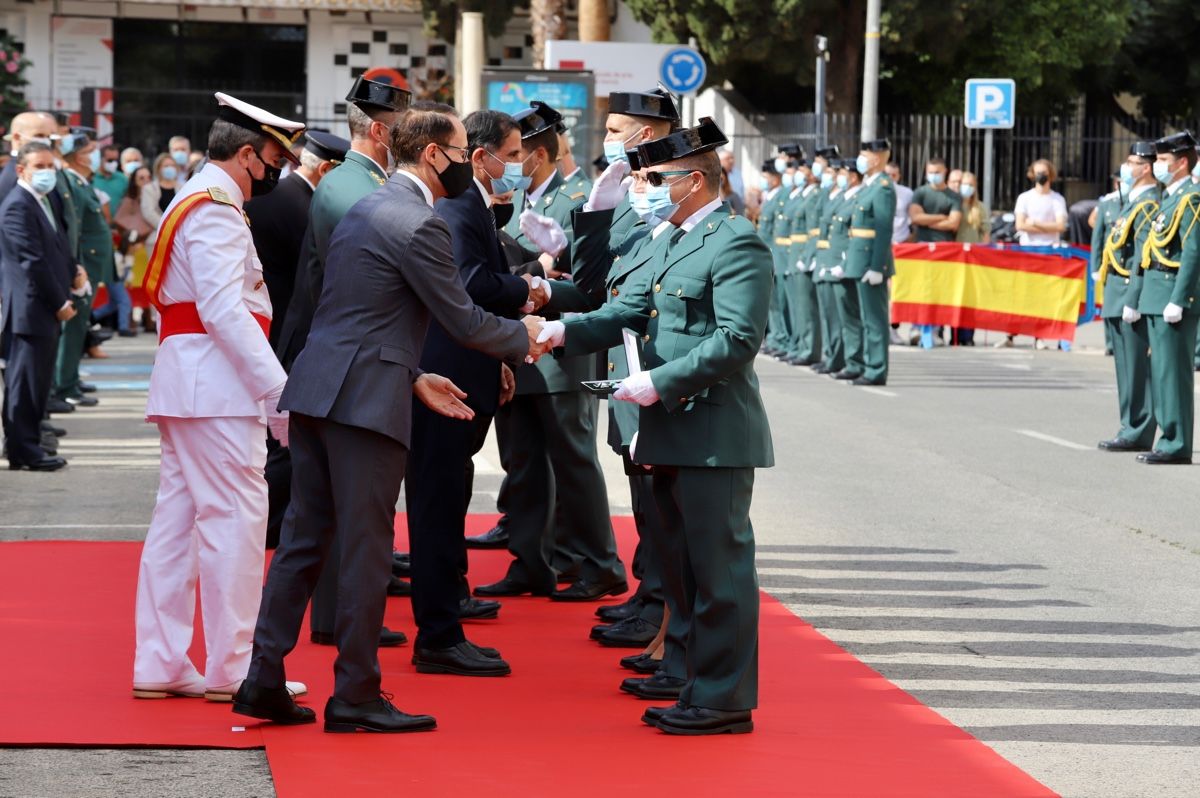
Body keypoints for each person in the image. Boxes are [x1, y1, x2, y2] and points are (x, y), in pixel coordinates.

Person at [236, 103, 548, 733]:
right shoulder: (419, 221)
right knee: (367, 550)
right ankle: (355, 693)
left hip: (322, 389)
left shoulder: (366, 207)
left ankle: (262, 679)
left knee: (302, 543)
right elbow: (462, 319)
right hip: (363, 404)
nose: (467, 163)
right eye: (462, 152)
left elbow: (350, 314)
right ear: (433, 154)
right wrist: (532, 333)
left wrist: (412, 375)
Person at [536, 117, 773, 735]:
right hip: (668, 429)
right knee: (686, 570)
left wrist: (661, 381)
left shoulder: (735, 241)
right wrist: (563, 330)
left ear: (695, 180)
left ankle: (723, 700)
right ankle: (692, 683)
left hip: (711, 432)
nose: (647, 187)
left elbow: (738, 339)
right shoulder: (673, 235)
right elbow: (628, 309)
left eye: (657, 177)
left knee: (719, 574)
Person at [132, 92, 309, 702]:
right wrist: (276, 389)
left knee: (177, 527)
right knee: (234, 524)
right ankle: (235, 667)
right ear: (246, 155)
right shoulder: (214, 210)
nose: (276, 172)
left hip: (193, 385)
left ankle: (160, 662)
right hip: (217, 388)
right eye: (273, 160)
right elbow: (225, 314)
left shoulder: (201, 200)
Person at [404, 109, 547, 670]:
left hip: (464, 370)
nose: (516, 166)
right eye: (509, 155)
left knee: (448, 497)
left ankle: (447, 614)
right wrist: (527, 298)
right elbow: (466, 289)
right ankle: (438, 635)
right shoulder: (459, 205)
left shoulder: (473, 203)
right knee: (437, 505)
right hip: (445, 375)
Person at [271, 77, 411, 647]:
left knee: (326, 513)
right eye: (404, 128)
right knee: (349, 512)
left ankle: (330, 621)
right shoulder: (358, 188)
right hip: (350, 360)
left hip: (336, 355)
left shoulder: (354, 181)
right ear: (380, 131)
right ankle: (344, 631)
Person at [479, 99, 627, 602]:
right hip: (518, 346)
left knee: (572, 459)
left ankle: (596, 562)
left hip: (562, 349)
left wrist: (548, 274)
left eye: (518, 154)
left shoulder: (578, 198)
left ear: (537, 155)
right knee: (522, 461)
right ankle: (531, 560)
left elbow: (592, 285)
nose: (512, 165)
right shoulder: (515, 200)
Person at [246, 129, 348, 580]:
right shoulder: (297, 203)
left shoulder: (290, 196)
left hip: (284, 328)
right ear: (326, 170)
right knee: (287, 443)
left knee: (286, 439)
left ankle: (276, 525)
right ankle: (272, 526)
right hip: (292, 331)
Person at [0, 141, 79, 471]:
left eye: (51, 166)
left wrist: (74, 274)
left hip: (43, 307)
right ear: (22, 170)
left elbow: (57, 247)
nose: (49, 172)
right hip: (31, 309)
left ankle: (29, 446)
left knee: (37, 382)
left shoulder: (40, 200)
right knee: (25, 385)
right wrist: (60, 301)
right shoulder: (18, 205)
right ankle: (23, 450)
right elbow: (32, 261)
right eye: (40, 167)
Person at [1129, 131, 1200, 465]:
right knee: (1161, 371)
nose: (1155, 166)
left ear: (1182, 162)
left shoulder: (1191, 198)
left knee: (1173, 373)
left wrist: (1179, 297)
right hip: (1156, 294)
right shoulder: (1170, 198)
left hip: (1172, 294)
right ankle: (1167, 438)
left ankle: (1176, 443)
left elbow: (1192, 253)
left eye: (1161, 161)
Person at [1096, 142, 1158, 454]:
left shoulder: (1147, 204)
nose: (1126, 167)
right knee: (1124, 368)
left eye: (1131, 162)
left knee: (1136, 368)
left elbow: (1141, 257)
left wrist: (1133, 297)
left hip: (1128, 293)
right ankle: (1128, 426)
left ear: (1145, 168)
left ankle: (1139, 429)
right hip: (1116, 292)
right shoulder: (1129, 201)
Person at [844, 140, 896, 385]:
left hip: (871, 261)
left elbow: (884, 229)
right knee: (865, 317)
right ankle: (868, 364)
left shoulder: (883, 187)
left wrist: (877, 266)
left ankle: (876, 369)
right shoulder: (869, 186)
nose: (860, 159)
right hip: (859, 258)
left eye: (864, 155)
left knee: (874, 318)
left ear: (876, 159)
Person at [1005, 158, 1069, 350]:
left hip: (1049, 252)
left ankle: (1039, 335)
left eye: (1045, 172)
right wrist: (1041, 227)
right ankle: (1011, 334)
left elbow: (1060, 226)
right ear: (1032, 174)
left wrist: (1035, 224)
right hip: (1028, 251)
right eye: (1038, 172)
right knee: (1022, 294)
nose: (1041, 176)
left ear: (1051, 174)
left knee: (1043, 295)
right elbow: (1020, 225)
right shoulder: (1025, 198)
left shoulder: (1057, 199)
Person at [909, 157, 962, 348]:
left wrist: (927, 219)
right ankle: (916, 327)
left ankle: (936, 330)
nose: (934, 175)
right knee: (921, 289)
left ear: (945, 171)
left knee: (940, 291)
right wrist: (941, 217)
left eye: (937, 171)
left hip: (945, 249)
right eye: (931, 171)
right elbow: (915, 217)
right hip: (923, 246)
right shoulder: (921, 193)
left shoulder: (953, 196)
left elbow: (953, 223)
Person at [781, 147, 822, 365]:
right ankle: (799, 345)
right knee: (798, 306)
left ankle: (809, 349)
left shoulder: (814, 195)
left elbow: (813, 231)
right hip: (793, 252)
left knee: (807, 308)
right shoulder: (803, 194)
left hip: (805, 253)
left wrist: (809, 255)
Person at [809, 147, 845, 375]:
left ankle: (838, 357)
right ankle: (830, 355)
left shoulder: (842, 195)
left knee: (837, 314)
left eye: (831, 170)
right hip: (823, 257)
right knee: (827, 313)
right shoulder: (827, 194)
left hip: (835, 259)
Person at [140, 153, 182, 244]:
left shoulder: (183, 188)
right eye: (166, 166)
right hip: (157, 237)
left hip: (180, 236)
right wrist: (167, 228)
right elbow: (149, 213)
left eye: (172, 165)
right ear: (159, 169)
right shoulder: (149, 189)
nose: (170, 168)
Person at [91, 144, 128, 215]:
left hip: (118, 224)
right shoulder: (91, 178)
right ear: (100, 159)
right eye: (110, 160)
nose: (114, 163)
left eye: (116, 160)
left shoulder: (123, 179)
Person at [956, 171, 990, 244]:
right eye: (965, 184)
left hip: (974, 248)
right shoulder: (954, 204)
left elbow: (986, 233)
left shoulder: (980, 207)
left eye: (971, 185)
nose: (967, 187)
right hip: (956, 249)